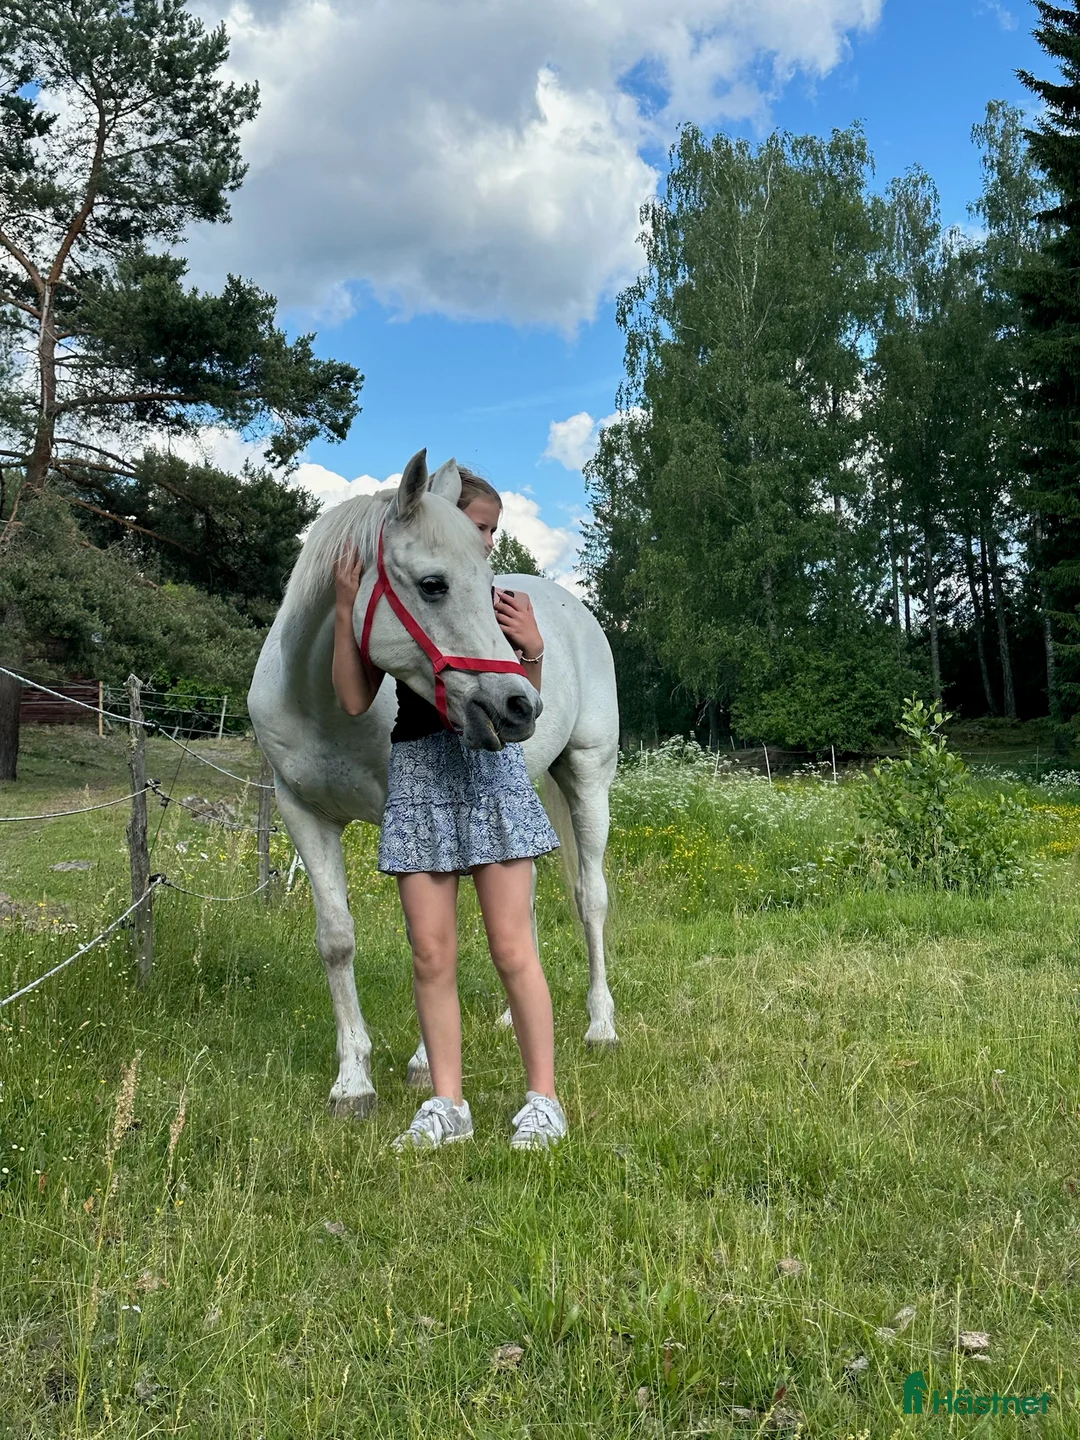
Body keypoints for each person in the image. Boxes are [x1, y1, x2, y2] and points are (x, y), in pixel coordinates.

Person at [330, 469, 568, 1151]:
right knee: (430, 954)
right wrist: (348, 606)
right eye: (477, 527)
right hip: (419, 773)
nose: (487, 541)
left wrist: (534, 648)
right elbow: (353, 700)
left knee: (511, 947)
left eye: (493, 530)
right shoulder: (412, 592)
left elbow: (521, 706)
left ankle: (543, 1099)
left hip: (489, 774)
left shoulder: (494, 600)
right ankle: (447, 1104)